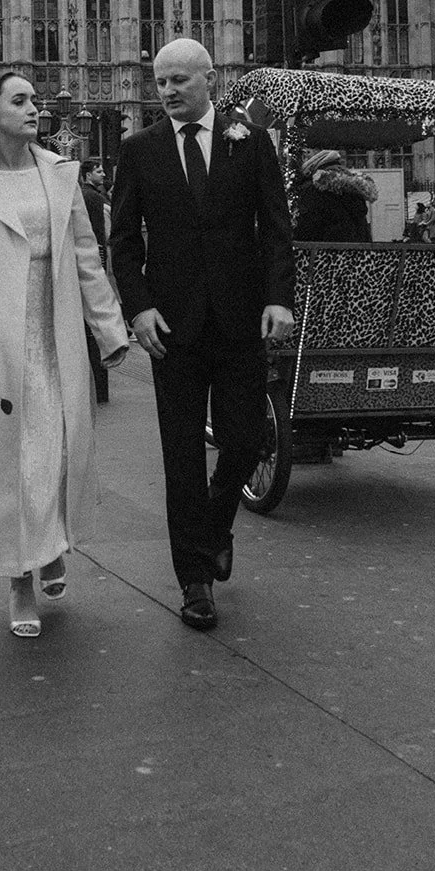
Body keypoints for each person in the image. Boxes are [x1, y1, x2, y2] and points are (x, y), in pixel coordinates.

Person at [0, 71, 128, 640]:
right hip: (0, 339)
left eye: (35, 100)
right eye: (21, 101)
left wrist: (108, 330)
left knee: (60, 450)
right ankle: (20, 579)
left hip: (56, 329)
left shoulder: (60, 175)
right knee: (14, 461)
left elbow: (87, 256)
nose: (35, 108)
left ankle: (52, 546)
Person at [110, 38, 294, 634]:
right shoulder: (139, 150)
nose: (167, 91)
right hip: (173, 327)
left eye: (180, 80)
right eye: (160, 81)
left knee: (245, 440)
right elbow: (124, 243)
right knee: (181, 454)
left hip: (241, 320)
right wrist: (138, 310)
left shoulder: (251, 142)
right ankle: (194, 581)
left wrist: (277, 299)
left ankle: (216, 528)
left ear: (210, 79)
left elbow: (276, 229)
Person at [79, 160, 111, 404]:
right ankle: (100, 388)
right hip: (93, 260)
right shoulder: (94, 198)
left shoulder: (84, 195)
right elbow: (98, 235)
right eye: (99, 170)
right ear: (88, 174)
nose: (103, 174)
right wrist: (100, 262)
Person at [293, 149, 374, 242]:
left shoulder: (313, 190)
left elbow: (305, 230)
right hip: (356, 253)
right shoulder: (355, 190)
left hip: (324, 253)